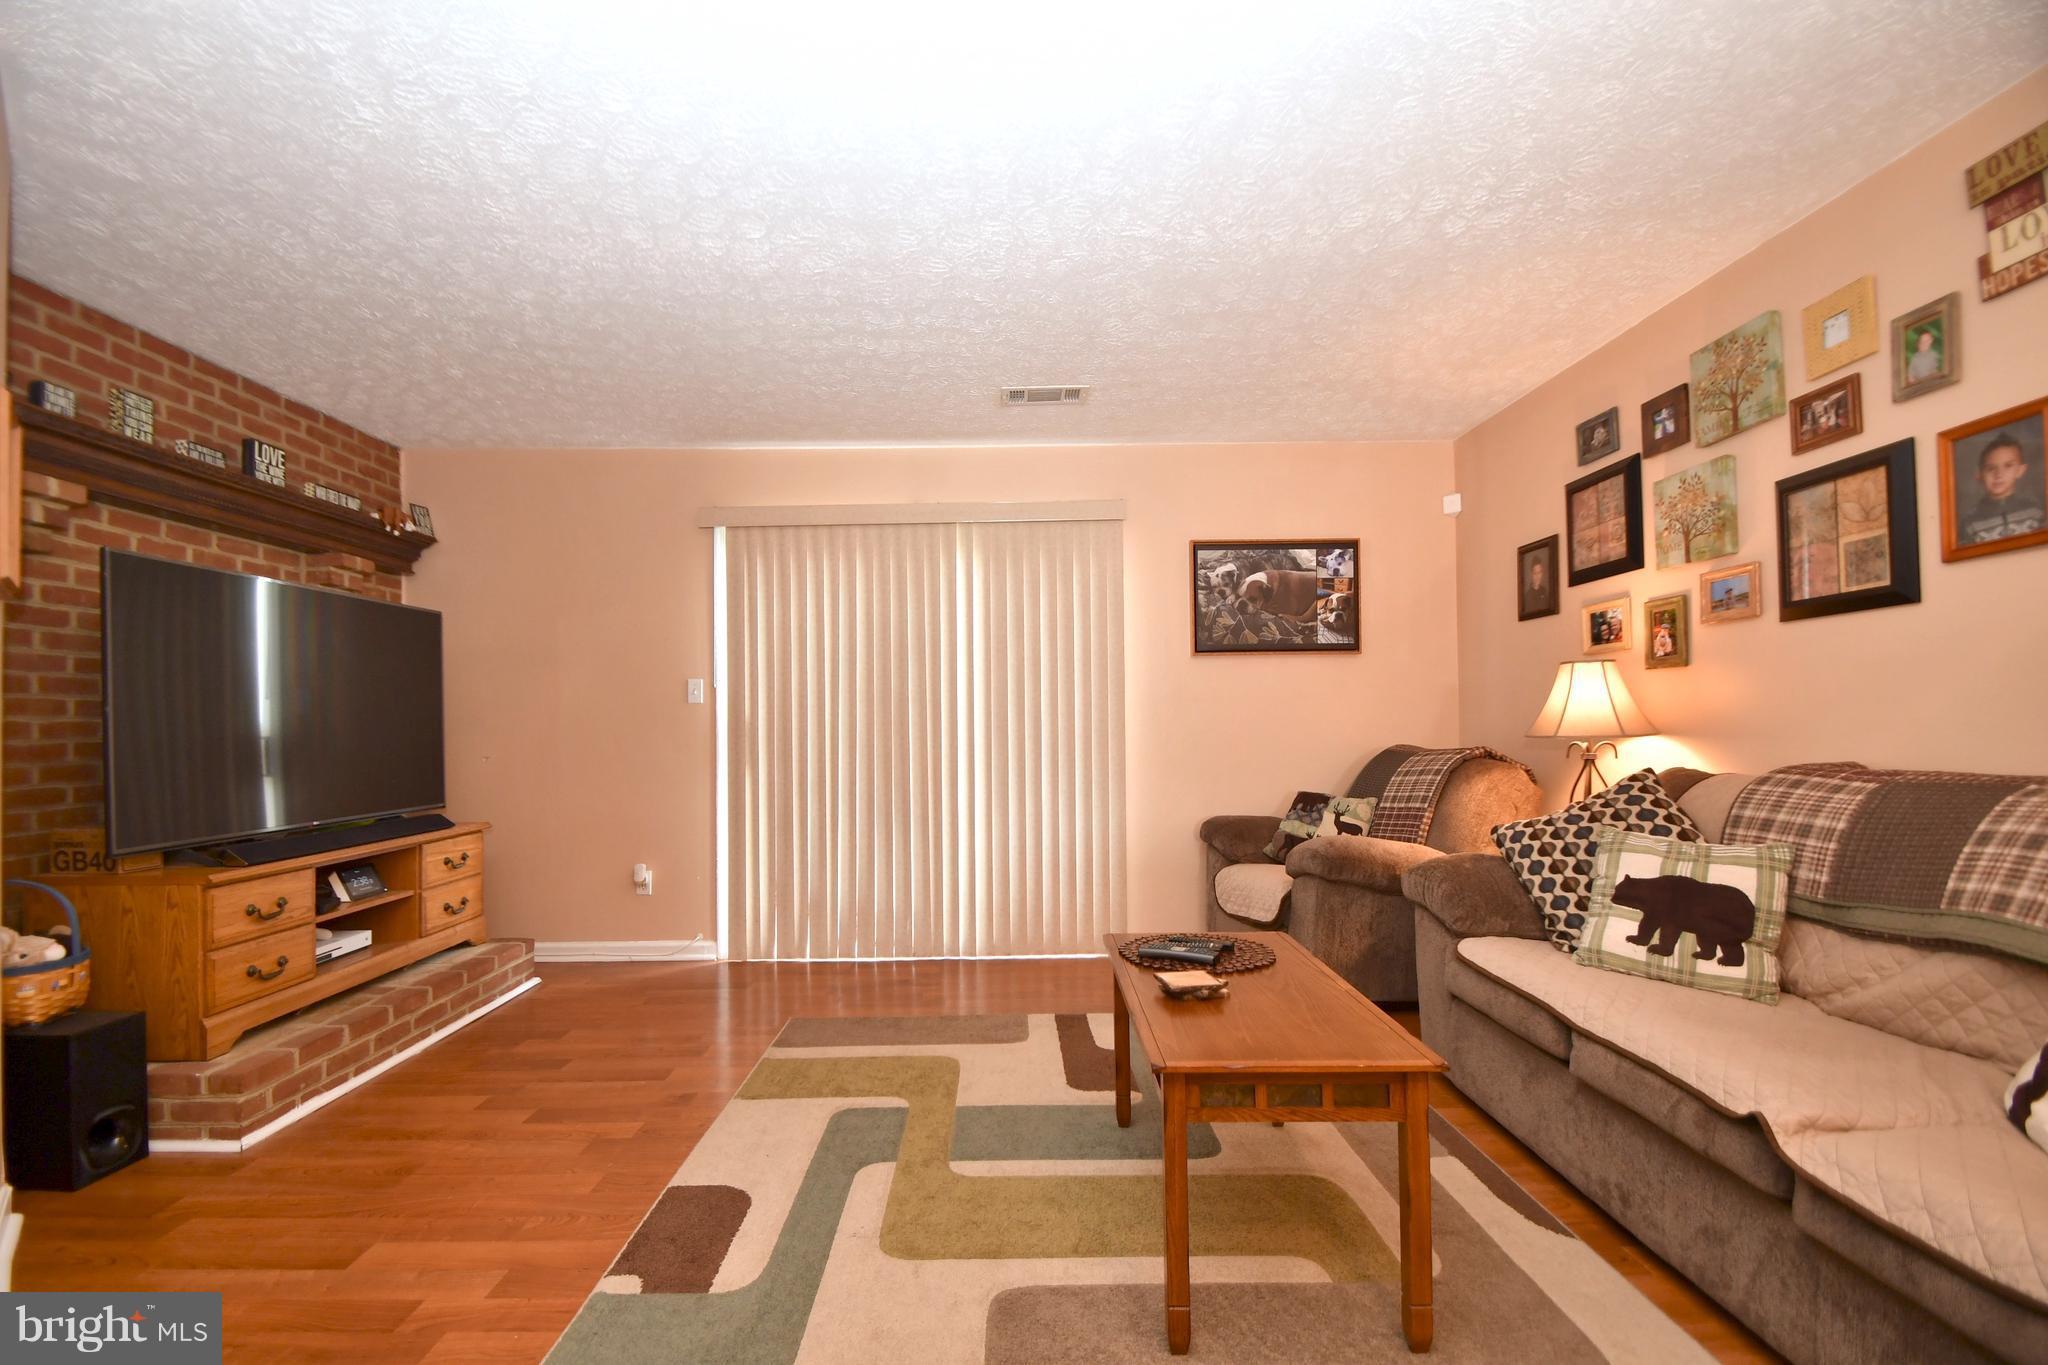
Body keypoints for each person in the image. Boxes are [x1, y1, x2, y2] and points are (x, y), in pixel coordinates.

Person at [1962, 432, 2046, 545]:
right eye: (1991, 468)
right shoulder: (1970, 522)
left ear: (2020, 471)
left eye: (2008, 466)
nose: (1998, 474)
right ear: (1980, 475)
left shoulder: (2035, 512)